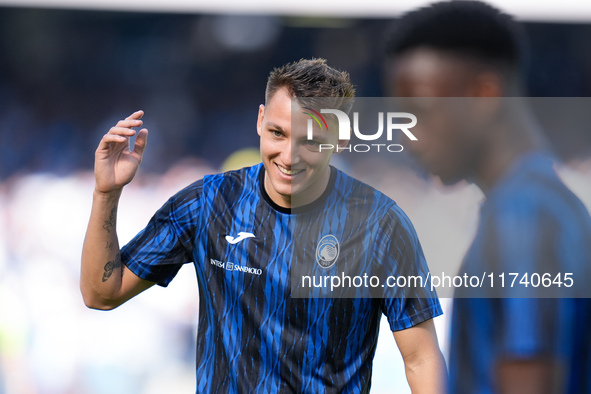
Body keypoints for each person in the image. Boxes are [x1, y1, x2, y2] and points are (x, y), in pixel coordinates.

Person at [81, 58, 446, 393]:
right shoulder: (208, 203)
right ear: (259, 120)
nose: (289, 156)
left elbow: (421, 358)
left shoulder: (380, 224)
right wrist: (106, 193)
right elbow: (102, 293)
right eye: (278, 133)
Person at [385, 1, 591, 393]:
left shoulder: (523, 216)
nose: (406, 137)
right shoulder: (545, 203)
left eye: (419, 112)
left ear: (484, 94)